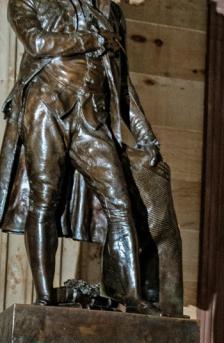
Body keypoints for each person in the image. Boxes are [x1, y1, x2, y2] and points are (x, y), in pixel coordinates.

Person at [0, 0, 163, 313]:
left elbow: (121, 82)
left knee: (120, 202)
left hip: (91, 118)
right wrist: (91, 40)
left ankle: (132, 295)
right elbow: (37, 42)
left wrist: (145, 134)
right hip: (46, 106)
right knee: (44, 198)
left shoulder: (110, 13)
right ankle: (45, 296)